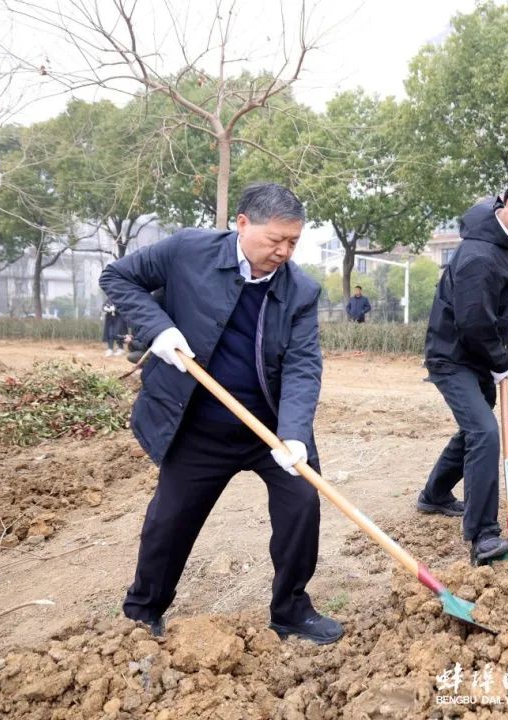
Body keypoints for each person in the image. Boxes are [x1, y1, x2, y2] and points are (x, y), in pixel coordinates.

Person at [99, 182, 341, 645]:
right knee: (170, 520)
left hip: (269, 429)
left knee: (301, 506)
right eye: (275, 240)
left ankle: (291, 609)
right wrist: (158, 329)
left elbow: (303, 366)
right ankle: (143, 610)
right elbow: (117, 277)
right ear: (243, 224)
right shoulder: (188, 251)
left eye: (293, 242)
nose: (284, 252)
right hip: (198, 424)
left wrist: (294, 435)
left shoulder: (301, 291)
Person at [418, 172, 508, 566]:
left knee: (474, 427)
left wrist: (495, 358)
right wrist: (500, 360)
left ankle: (434, 495)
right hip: (452, 357)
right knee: (484, 432)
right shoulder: (480, 255)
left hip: (476, 354)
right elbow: (474, 321)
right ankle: (483, 535)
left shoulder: (505, 239)